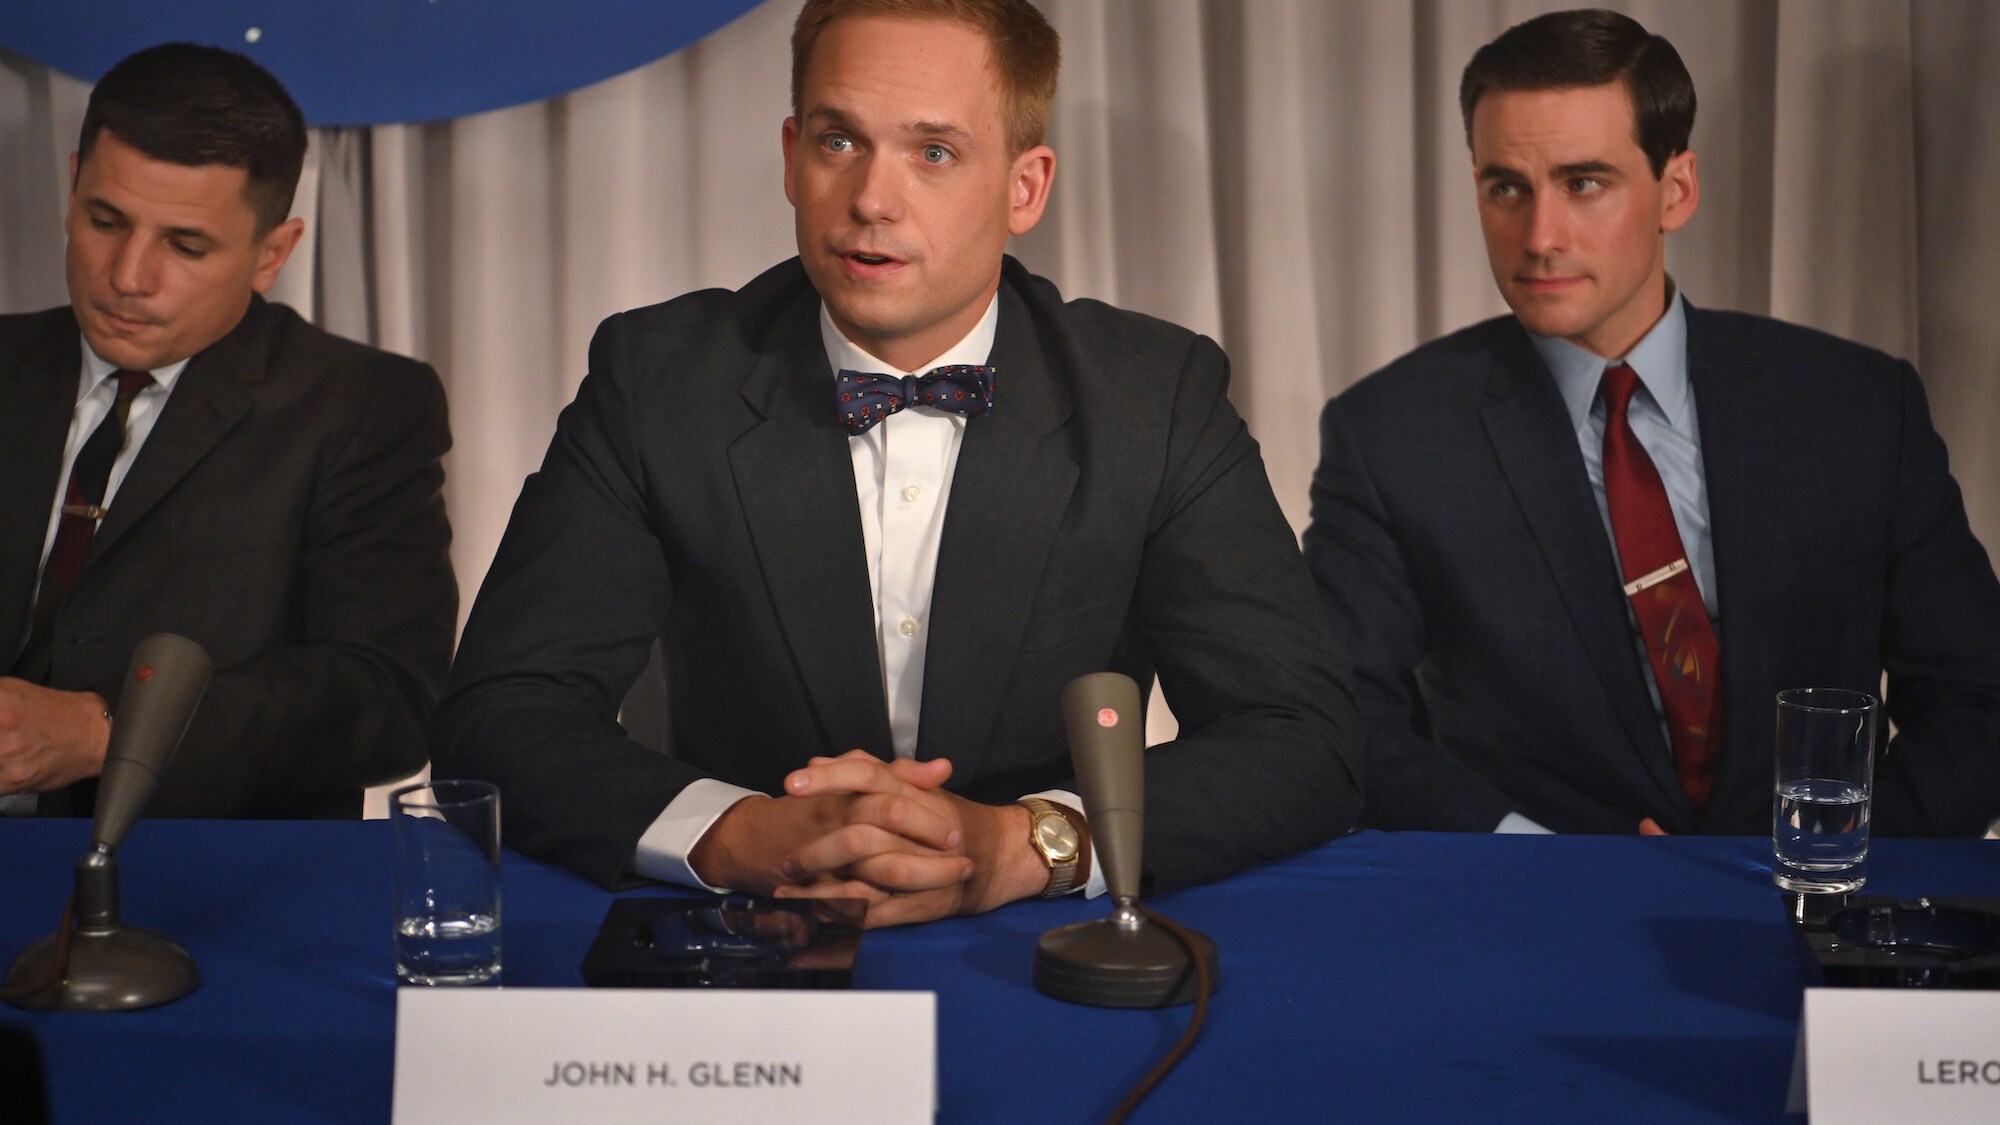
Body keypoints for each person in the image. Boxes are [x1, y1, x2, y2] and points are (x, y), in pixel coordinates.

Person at [433, 0, 1360, 926]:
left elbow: (1302, 736)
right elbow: (501, 714)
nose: (873, 199)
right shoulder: (658, 379)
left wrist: (1024, 843)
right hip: (739, 942)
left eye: (934, 152)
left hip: (1038, 940)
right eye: (841, 142)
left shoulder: (1153, 398)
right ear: (792, 157)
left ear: (1025, 188)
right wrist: (737, 834)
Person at [1303, 8, 2000, 837]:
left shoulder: (1857, 405)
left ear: (1677, 190)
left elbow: (1976, 695)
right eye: (1506, 188)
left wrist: (1844, 862)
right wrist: (1540, 861)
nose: (1540, 235)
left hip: (1831, 913)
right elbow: (1335, 716)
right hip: (1541, 922)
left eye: (1583, 182)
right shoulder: (1391, 437)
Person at [0, 44, 456, 818]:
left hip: (210, 878)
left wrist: (101, 731)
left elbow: (383, 701)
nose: (128, 276)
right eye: (105, 220)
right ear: (72, 187)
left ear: (271, 253)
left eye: (184, 245)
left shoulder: (362, 404)